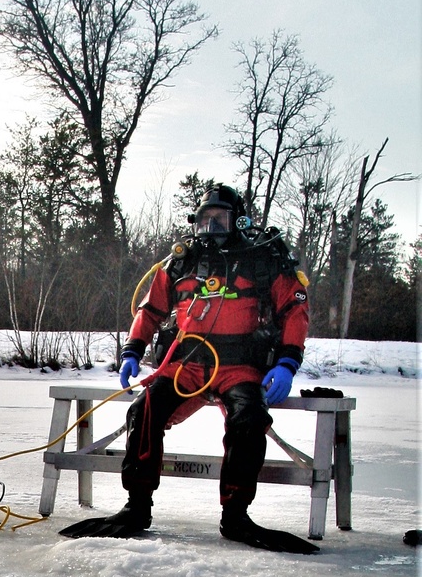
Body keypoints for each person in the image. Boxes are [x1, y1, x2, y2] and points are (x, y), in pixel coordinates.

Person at [64, 184, 316, 555]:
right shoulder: (181, 262)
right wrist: (133, 350)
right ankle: (137, 507)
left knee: (249, 419)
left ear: (239, 221)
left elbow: (295, 309)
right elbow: (150, 309)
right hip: (188, 365)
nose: (210, 227)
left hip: (238, 367)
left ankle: (236, 514)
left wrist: (287, 361)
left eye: (220, 219)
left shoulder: (262, 259)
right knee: (143, 409)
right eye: (203, 219)